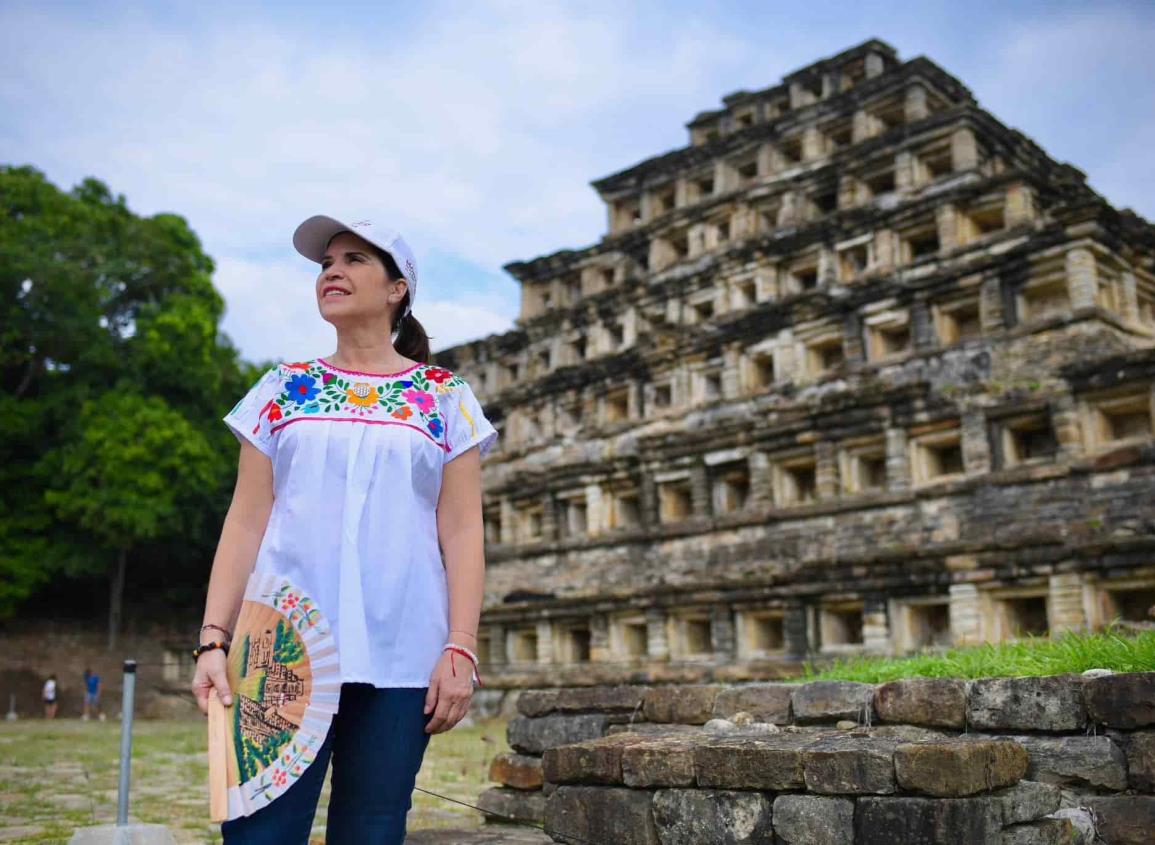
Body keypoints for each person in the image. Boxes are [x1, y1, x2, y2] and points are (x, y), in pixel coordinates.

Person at [190, 215, 497, 844]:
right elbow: (247, 520)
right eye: (326, 262)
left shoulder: (444, 398)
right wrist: (212, 640)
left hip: (404, 651)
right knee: (257, 832)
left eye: (355, 259)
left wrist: (460, 646)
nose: (332, 271)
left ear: (397, 290)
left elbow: (463, 530)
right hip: (278, 644)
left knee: (373, 829)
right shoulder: (282, 388)